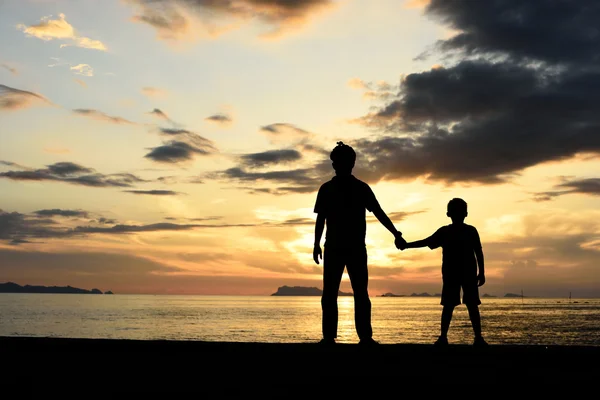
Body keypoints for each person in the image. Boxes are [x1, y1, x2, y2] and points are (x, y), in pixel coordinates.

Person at [313, 141, 405, 345]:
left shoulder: (360, 188)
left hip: (354, 248)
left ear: (350, 163)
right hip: (334, 247)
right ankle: (330, 337)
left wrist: (395, 233)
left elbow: (379, 212)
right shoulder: (327, 189)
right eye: (336, 161)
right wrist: (316, 244)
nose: (338, 165)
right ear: (334, 164)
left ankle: (364, 336)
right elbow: (321, 218)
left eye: (341, 161)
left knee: (359, 293)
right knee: (331, 294)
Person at [397, 198, 488, 347]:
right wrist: (407, 245)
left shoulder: (459, 231)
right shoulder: (455, 231)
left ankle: (462, 338)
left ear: (449, 213)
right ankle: (464, 338)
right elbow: (427, 241)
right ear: (465, 213)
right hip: (458, 273)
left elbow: (478, 251)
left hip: (460, 273)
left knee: (457, 305)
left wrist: (407, 245)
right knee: (460, 305)